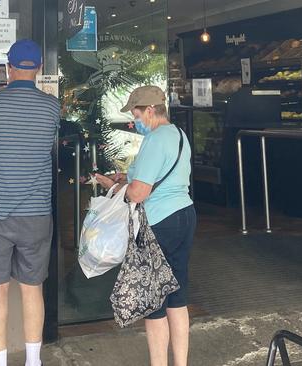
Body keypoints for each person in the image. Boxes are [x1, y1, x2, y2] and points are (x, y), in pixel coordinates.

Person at [0, 39, 60, 366]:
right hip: (35, 213)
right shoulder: (51, 107)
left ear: (8, 67)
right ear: (40, 68)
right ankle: (34, 361)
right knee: (33, 289)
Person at [95, 86, 196, 366]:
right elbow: (158, 174)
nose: (134, 120)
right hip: (184, 215)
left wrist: (117, 188)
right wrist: (123, 177)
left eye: (136, 113)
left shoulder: (155, 138)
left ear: (150, 111)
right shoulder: (178, 135)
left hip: (159, 222)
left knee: (152, 300)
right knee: (176, 294)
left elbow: (139, 193)